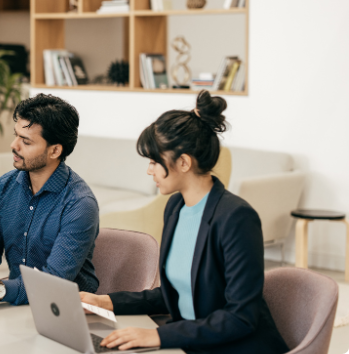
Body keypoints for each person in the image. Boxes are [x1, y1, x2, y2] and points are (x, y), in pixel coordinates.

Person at [79, 91, 288, 353]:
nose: (149, 170)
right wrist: (107, 302)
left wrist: (160, 336)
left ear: (184, 162)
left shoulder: (236, 218)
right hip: (191, 340)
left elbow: (240, 317)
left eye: (155, 161)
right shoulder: (176, 207)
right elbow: (176, 292)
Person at [0, 94, 99, 305]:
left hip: (66, 312)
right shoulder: (4, 187)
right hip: (16, 306)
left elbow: (53, 283)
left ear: (55, 151)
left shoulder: (80, 204)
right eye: (16, 136)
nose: (14, 145)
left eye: (26, 141)